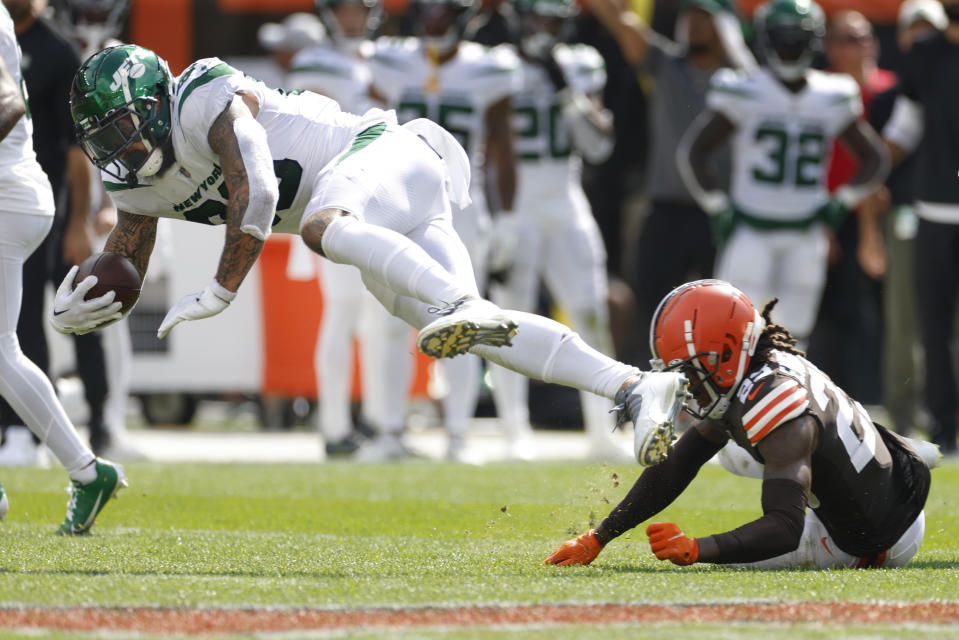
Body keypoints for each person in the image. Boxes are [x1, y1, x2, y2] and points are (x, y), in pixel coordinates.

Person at [54, 44, 689, 466]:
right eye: (106, 141)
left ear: (154, 103)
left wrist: (222, 287)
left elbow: (260, 185)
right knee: (478, 335)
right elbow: (124, 258)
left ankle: (456, 304)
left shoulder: (201, 95)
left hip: (381, 156)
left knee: (326, 227)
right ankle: (634, 385)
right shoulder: (135, 181)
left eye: (127, 131)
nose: (125, 153)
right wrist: (83, 308)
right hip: (380, 209)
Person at [545, 279, 933, 570]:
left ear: (726, 355)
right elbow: (681, 462)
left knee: (739, 457)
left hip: (873, 539)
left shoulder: (775, 408)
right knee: (730, 443)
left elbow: (784, 528)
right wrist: (599, 536)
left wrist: (698, 548)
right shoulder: (754, 366)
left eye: (690, 372)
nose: (686, 385)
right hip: (884, 489)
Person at [676, 0, 888, 349]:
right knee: (734, 329)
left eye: (797, 38)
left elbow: (875, 158)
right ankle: (733, 404)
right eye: (782, 38)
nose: (789, 47)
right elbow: (693, 152)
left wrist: (841, 203)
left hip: (805, 232)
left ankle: (784, 403)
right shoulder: (744, 88)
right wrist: (717, 206)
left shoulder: (831, 94)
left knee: (794, 337)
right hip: (750, 229)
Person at [366, 0, 522, 460]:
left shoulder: (488, 67)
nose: (434, 20)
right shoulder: (389, 59)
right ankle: (390, 432)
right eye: (427, 9)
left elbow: (502, 148)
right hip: (396, 201)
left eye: (443, 10)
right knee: (391, 320)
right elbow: (363, 131)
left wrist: (507, 217)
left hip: (459, 207)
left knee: (463, 317)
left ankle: (457, 434)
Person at [0, 2, 124, 534]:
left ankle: (86, 467)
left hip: (5, 193)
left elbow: (6, 105)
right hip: (18, 189)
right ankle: (86, 471)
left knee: (2, 351)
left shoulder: (50, 47)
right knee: (3, 348)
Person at [486, 0, 626, 461]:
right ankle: (513, 430)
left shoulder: (580, 62)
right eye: (538, 18)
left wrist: (567, 91)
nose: (545, 28)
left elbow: (600, 146)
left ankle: (603, 432)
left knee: (590, 313)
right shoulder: (495, 63)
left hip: (565, 200)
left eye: (553, 19)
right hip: (517, 203)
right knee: (509, 320)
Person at [584, 0, 754, 368]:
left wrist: (736, 47)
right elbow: (621, 21)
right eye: (689, 16)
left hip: (721, 214)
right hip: (667, 208)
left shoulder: (745, 80)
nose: (692, 24)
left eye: (704, 18)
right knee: (657, 304)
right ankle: (651, 385)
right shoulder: (666, 64)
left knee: (724, 312)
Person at [288, 0, 417, 460]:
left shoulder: (397, 55)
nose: (350, 18)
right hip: (335, 196)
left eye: (358, 9)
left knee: (387, 317)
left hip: (385, 198)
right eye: (343, 9)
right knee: (341, 313)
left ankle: (388, 427)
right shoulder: (316, 60)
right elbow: (314, 126)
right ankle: (335, 427)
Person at [861, 0, 946, 437]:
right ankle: (907, 421)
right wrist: (869, 232)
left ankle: (944, 418)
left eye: (928, 27)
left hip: (941, 216)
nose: (921, 37)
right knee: (907, 324)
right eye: (914, 29)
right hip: (910, 216)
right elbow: (876, 166)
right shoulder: (892, 95)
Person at [881, 0, 959, 456]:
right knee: (932, 326)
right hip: (933, 209)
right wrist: (870, 171)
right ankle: (944, 425)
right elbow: (905, 127)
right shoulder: (925, 53)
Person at [806, 10, 895, 405]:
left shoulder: (892, 89)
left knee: (881, 313)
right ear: (828, 47)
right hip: (830, 216)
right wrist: (822, 221)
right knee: (826, 313)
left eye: (862, 38)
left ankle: (876, 401)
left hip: (884, 216)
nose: (856, 47)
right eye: (845, 39)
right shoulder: (819, 92)